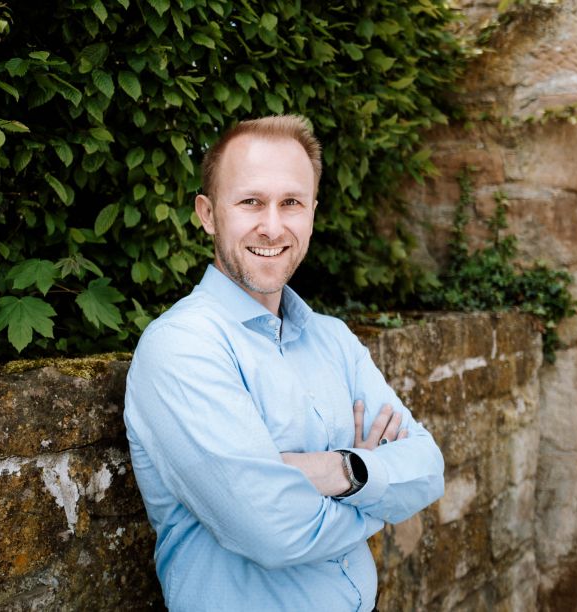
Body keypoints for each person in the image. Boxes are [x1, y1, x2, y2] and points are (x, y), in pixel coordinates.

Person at [123, 115, 445, 611]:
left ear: (312, 213)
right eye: (250, 201)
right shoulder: (181, 347)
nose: (272, 227)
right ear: (208, 214)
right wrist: (378, 492)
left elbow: (427, 471)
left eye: (291, 203)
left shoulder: (333, 339)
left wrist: (342, 470)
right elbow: (273, 533)